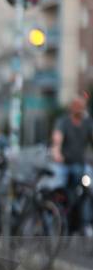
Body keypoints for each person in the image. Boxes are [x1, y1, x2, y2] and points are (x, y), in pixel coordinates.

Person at [50, 93, 93, 230]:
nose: (79, 108)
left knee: (88, 190)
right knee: (56, 188)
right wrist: (57, 152)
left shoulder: (88, 123)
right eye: (76, 105)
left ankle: (86, 224)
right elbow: (57, 139)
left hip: (81, 165)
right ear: (72, 107)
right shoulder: (63, 121)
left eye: (81, 106)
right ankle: (53, 219)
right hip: (64, 165)